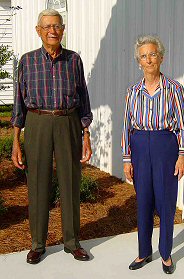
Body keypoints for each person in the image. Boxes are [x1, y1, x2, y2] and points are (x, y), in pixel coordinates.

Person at [11, 9, 93, 264]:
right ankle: (38, 243)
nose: (52, 31)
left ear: (63, 29)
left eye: (56, 26)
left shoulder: (74, 60)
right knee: (37, 183)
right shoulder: (27, 61)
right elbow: (19, 103)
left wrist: (86, 133)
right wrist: (16, 140)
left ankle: (72, 241)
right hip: (37, 122)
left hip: (68, 121)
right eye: (47, 26)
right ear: (38, 31)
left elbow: (84, 99)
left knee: (69, 181)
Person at [121, 35, 184, 274]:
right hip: (140, 145)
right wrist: (127, 158)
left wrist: (181, 154)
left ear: (161, 57)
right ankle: (143, 253)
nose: (148, 59)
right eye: (144, 56)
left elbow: (183, 125)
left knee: (165, 202)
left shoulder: (174, 89)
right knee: (143, 202)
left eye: (153, 54)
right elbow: (126, 127)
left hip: (166, 145)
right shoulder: (132, 91)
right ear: (138, 61)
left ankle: (165, 254)